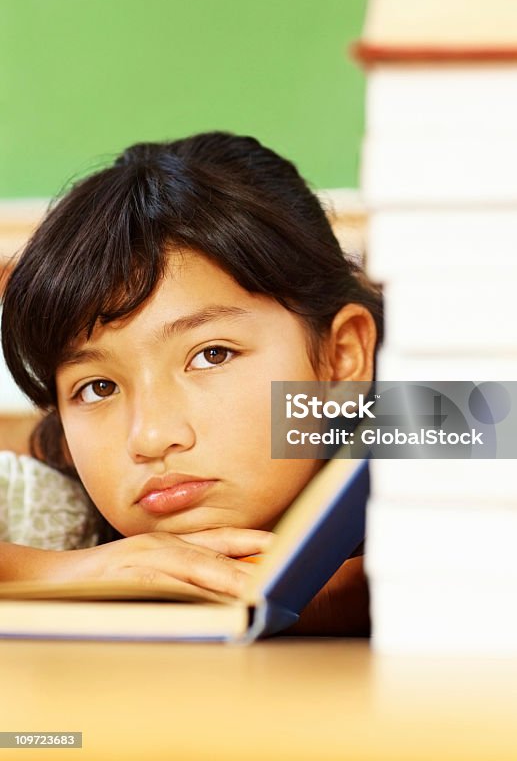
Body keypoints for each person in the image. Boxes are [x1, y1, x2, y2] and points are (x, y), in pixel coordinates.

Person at [0, 132, 383, 634]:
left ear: (342, 355)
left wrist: (338, 588)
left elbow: (511, 423)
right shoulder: (57, 490)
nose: (152, 438)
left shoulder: (422, 422)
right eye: (97, 388)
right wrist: (60, 573)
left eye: (211, 355)